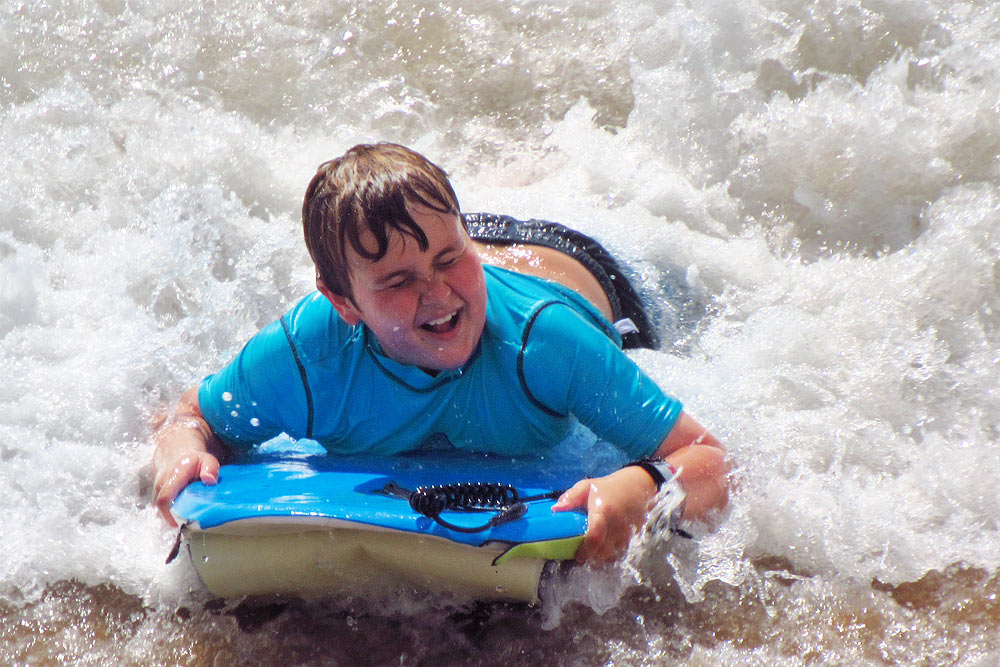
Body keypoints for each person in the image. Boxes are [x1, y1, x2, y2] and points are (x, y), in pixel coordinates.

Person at [152, 143, 727, 565]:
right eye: (398, 282)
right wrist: (183, 444)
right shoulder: (305, 359)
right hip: (437, 231)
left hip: (579, 269)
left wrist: (644, 487)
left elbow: (709, 461)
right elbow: (194, 416)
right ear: (344, 302)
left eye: (451, 263)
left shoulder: (546, 345)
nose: (437, 295)